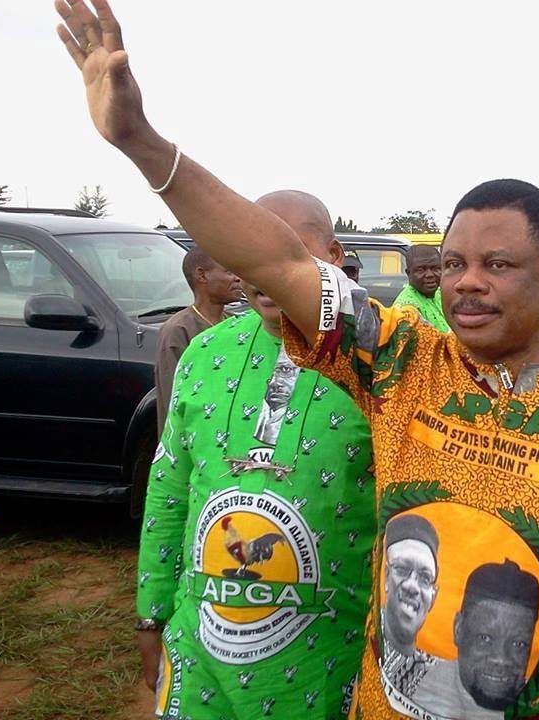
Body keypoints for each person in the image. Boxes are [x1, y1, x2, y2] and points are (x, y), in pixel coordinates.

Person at [56, 6, 539, 719]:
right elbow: (279, 260)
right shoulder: (401, 362)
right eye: (455, 263)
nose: (467, 282)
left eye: (498, 264)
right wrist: (142, 142)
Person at [134, 189, 376, 719]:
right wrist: (151, 614)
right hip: (201, 655)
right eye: (250, 253)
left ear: (335, 256)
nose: (268, 271)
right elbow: (169, 490)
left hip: (328, 658)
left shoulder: (381, 365)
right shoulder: (204, 353)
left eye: (289, 253)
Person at [414, 559, 539, 719]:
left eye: (518, 644)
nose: (500, 659)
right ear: (458, 629)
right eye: (485, 638)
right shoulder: (423, 688)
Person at [154, 246, 241, 429]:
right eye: (229, 271)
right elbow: (172, 396)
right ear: (202, 275)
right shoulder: (178, 330)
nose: (237, 278)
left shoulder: (235, 323)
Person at [381, 513, 440, 695]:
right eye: (402, 569)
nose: (412, 586)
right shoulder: (359, 638)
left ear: (433, 597)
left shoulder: (439, 678)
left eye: (425, 578)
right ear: (385, 576)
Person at [393, 245, 449, 331]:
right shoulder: (406, 311)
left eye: (435, 268)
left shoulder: (440, 294)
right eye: (421, 270)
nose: (430, 275)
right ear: (409, 273)